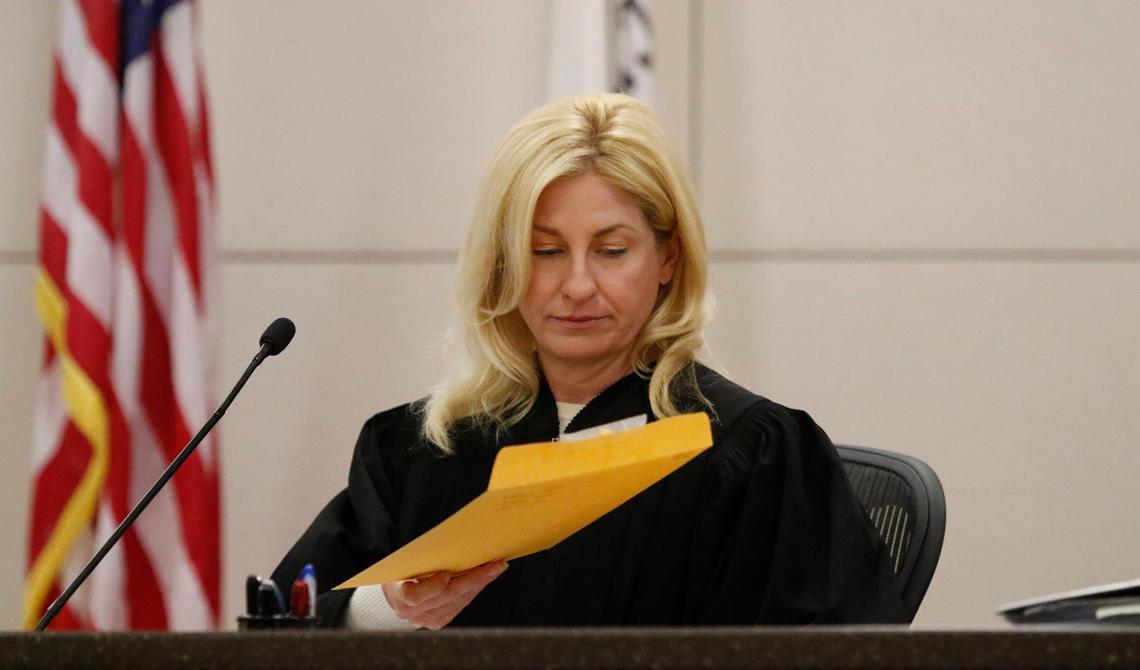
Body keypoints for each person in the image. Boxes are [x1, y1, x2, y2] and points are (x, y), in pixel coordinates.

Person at [272, 93, 903, 628]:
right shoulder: (419, 451)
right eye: (545, 252)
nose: (577, 286)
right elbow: (281, 624)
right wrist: (388, 609)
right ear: (502, 264)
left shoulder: (749, 452)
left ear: (668, 258)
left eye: (612, 250)